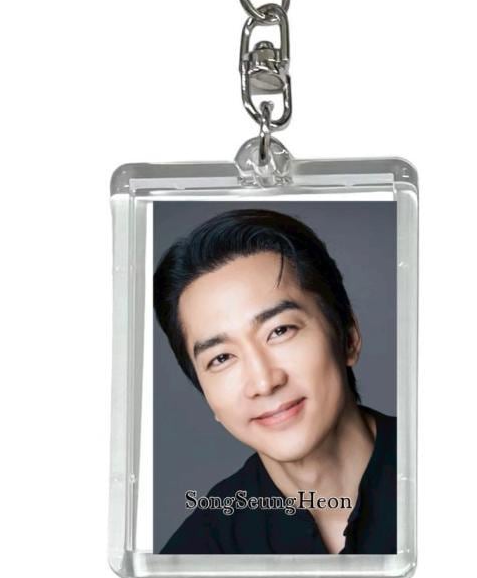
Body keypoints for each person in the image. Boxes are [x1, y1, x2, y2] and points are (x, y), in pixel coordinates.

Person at [154, 208, 396, 554]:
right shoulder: (198, 554)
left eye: (280, 330)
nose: (264, 382)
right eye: (221, 358)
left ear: (348, 336)